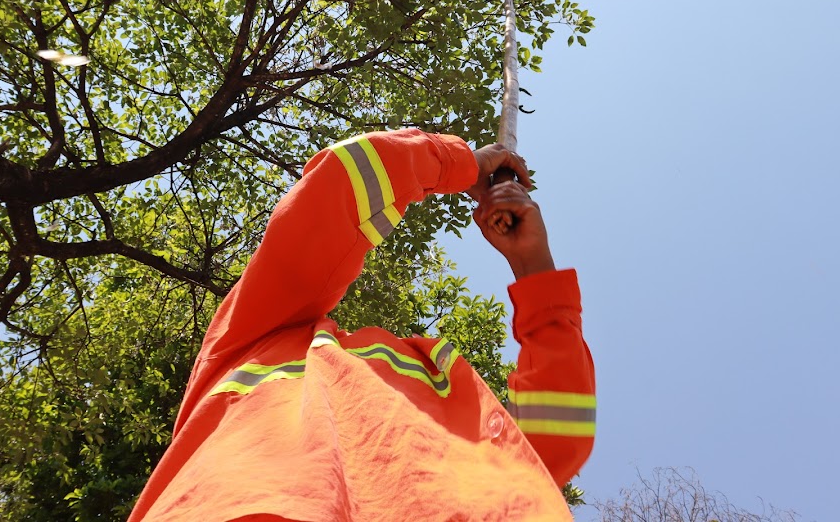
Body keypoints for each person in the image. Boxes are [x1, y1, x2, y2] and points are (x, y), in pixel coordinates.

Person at [129, 129, 596, 521]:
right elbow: (334, 189)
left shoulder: (448, 384)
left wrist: (532, 262)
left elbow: (550, 444)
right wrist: (461, 164)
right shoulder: (254, 337)